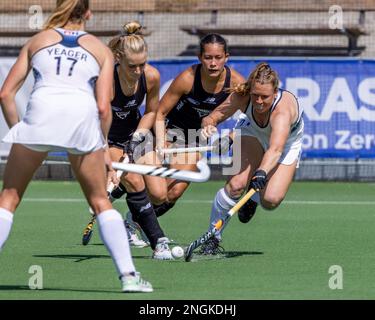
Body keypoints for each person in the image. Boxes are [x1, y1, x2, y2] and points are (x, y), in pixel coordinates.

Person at [0, 0, 152, 292]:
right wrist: (104, 148)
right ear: (89, 13)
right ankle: (130, 277)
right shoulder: (101, 50)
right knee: (100, 201)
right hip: (81, 121)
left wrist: (20, 129)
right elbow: (103, 108)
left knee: (8, 198)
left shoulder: (37, 40)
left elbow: (6, 93)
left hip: (40, 114)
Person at [81, 21, 172, 259]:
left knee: (160, 194)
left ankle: (119, 191)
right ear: (118, 58)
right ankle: (159, 242)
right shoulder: (104, 81)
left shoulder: (150, 76)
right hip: (107, 137)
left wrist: (140, 134)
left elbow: (152, 111)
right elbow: (92, 118)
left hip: (136, 133)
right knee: (133, 179)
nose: (139, 70)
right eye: (133, 66)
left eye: (143, 64)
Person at [200, 62, 304, 254]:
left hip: (286, 144)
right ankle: (212, 237)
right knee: (235, 185)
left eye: (265, 97)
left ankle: (253, 198)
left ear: (275, 93)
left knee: (271, 200)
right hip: (251, 131)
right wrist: (209, 125)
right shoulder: (243, 96)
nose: (259, 101)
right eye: (255, 95)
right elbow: (212, 117)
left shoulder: (282, 112)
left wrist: (261, 173)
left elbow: (275, 149)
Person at [154, 33, 245, 217]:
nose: (213, 63)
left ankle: (135, 223)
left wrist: (231, 137)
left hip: (194, 139)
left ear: (226, 57)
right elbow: (160, 113)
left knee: (173, 192)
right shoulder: (187, 78)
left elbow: (248, 118)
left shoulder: (236, 83)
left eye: (218, 58)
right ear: (200, 58)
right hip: (169, 130)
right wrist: (160, 141)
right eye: (208, 57)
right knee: (152, 189)